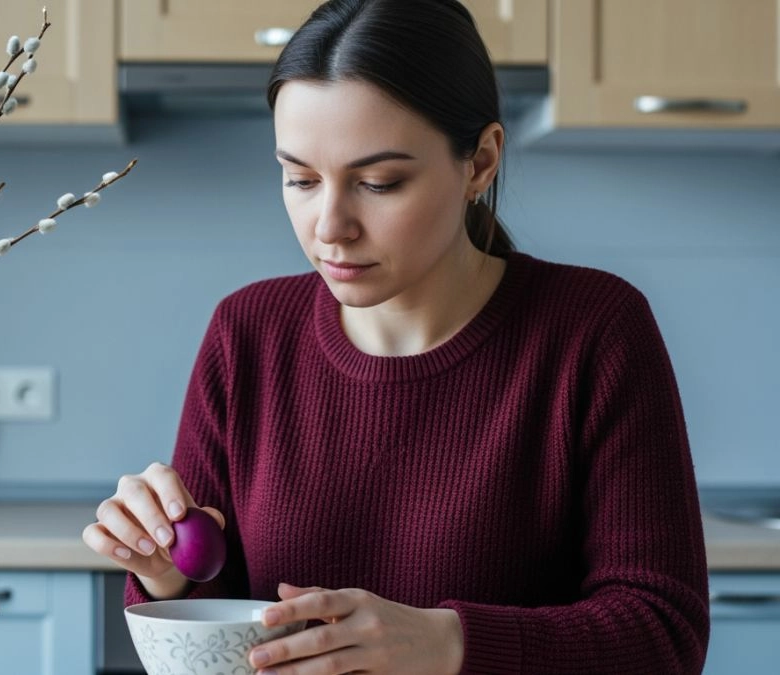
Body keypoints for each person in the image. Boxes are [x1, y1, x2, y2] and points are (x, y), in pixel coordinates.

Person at [82, 0, 710, 672]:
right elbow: (223, 609)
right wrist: (165, 573)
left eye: (379, 182)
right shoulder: (247, 332)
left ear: (480, 162)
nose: (330, 226)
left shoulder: (594, 328)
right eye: (299, 178)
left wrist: (448, 642)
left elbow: (662, 633)